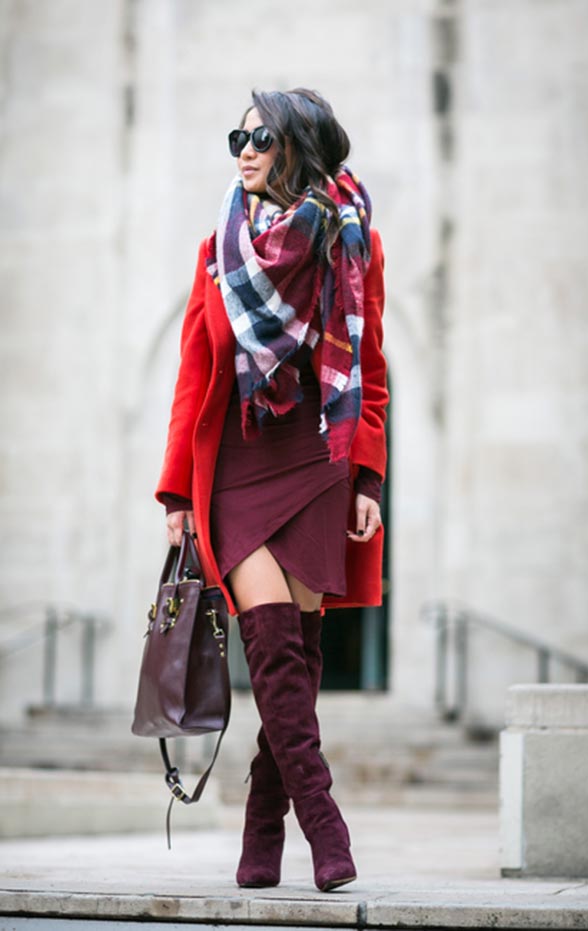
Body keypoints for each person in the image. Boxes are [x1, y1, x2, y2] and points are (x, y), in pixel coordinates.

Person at [155, 88, 388, 892]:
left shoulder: (354, 244)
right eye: (237, 138)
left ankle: (261, 836)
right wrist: (178, 495)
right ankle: (325, 824)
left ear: (298, 150)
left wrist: (368, 477)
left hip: (318, 457)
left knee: (297, 661)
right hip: (239, 468)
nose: (243, 151)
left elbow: (370, 367)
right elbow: (193, 378)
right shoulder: (218, 251)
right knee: (273, 650)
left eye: (259, 138)